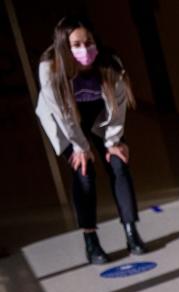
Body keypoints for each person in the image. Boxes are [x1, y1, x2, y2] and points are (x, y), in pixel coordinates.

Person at [35, 15, 147, 265]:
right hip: (66, 123)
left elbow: (118, 107)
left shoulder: (110, 62)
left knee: (119, 163)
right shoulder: (49, 67)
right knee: (84, 174)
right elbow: (62, 114)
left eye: (88, 42)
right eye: (76, 44)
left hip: (99, 118)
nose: (84, 49)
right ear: (64, 46)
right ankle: (91, 241)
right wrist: (79, 147)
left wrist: (113, 142)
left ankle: (131, 232)